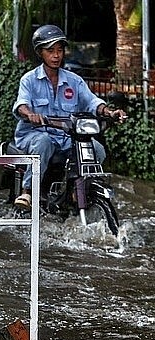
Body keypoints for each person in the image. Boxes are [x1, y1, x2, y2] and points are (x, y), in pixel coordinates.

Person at [11, 24, 125, 210]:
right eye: (50, 51)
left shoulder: (74, 80)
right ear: (40, 53)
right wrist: (30, 114)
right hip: (35, 136)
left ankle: (77, 188)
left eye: (59, 50)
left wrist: (109, 112)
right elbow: (21, 105)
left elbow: (92, 102)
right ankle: (28, 191)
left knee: (97, 148)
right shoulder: (29, 80)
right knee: (44, 142)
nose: (56, 55)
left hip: (66, 137)